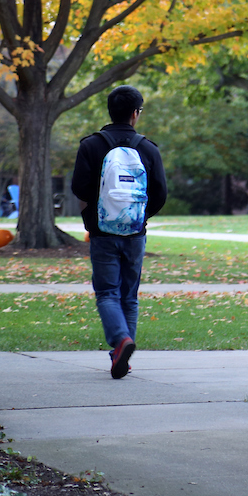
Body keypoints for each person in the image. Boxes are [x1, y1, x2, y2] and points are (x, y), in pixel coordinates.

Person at [71, 85, 166, 379]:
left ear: (110, 111)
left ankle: (120, 341)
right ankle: (120, 356)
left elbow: (79, 187)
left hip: (102, 233)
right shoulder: (148, 148)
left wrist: (97, 212)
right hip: (135, 234)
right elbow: (160, 193)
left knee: (107, 293)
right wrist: (139, 216)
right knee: (129, 296)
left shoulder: (91, 145)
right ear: (135, 114)